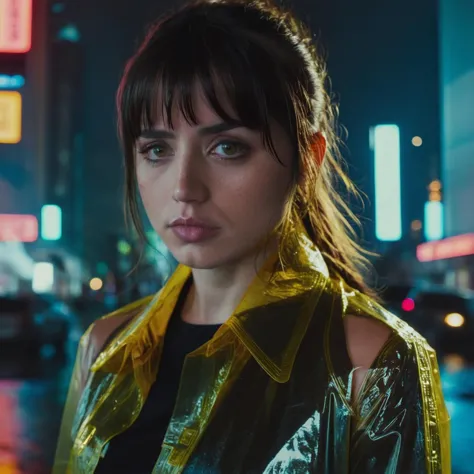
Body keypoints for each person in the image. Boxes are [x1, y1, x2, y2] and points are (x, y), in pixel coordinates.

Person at [53, 0, 451, 472]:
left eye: (227, 147)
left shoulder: (369, 362)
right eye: (157, 148)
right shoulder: (105, 348)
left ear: (308, 158)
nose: (184, 188)